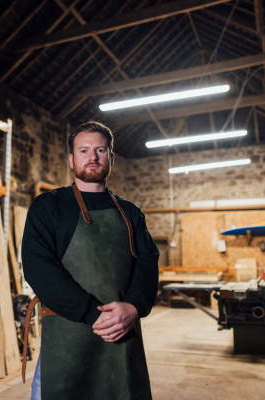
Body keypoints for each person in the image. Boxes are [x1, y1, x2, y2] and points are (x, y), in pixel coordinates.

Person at [22, 121, 159, 400]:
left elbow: (147, 265)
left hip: (122, 330)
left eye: (100, 150)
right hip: (69, 331)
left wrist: (133, 306)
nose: (92, 157)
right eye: (83, 150)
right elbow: (39, 267)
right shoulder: (49, 206)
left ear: (111, 158)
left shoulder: (131, 213)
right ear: (72, 160)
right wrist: (92, 313)